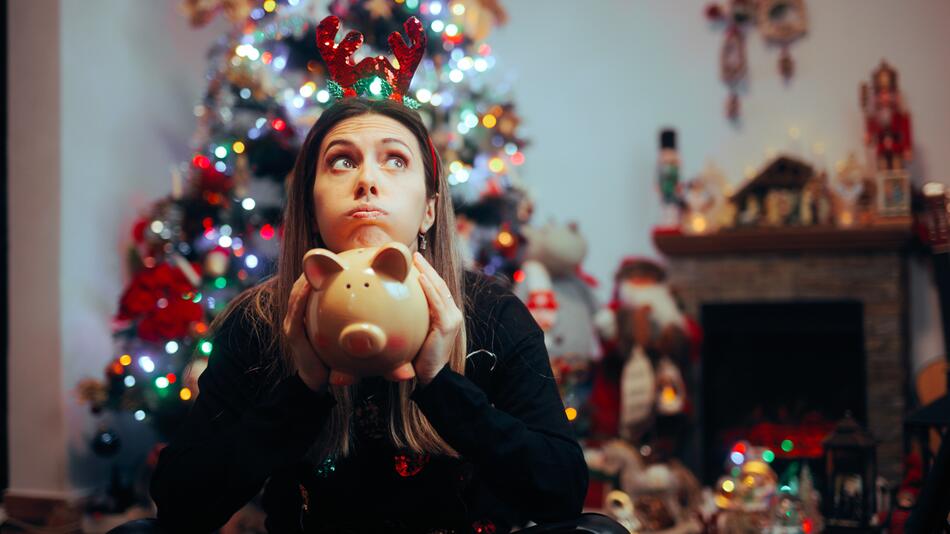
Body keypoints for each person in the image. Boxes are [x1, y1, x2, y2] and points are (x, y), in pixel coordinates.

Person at [148, 16, 588, 533]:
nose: (367, 181)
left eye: (395, 161)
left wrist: (440, 384)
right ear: (311, 208)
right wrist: (303, 389)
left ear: (428, 209)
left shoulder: (491, 314)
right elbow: (179, 502)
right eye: (341, 162)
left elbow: (561, 490)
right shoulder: (261, 323)